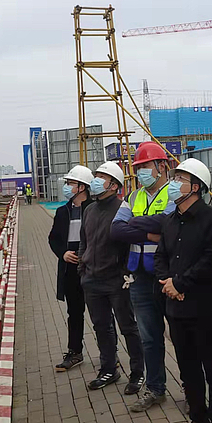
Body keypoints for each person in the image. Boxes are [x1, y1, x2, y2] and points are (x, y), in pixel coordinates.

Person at [154, 158, 212, 423]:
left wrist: (181, 284)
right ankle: (198, 420)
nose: (173, 184)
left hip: (204, 308)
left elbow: (211, 259)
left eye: (180, 179)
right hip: (175, 308)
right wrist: (168, 283)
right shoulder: (170, 220)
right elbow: (161, 255)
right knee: (187, 368)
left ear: (196, 187)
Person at [111, 141, 175, 412]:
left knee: (182, 337)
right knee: (149, 337)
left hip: (168, 277)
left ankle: (191, 388)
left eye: (145, 166)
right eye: (138, 168)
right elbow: (116, 229)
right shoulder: (134, 197)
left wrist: (134, 224)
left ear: (162, 166)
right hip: (139, 275)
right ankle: (155, 389)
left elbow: (168, 225)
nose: (140, 172)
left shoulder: (174, 192)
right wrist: (150, 233)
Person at [78, 161, 146, 394]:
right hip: (92, 280)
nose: (95, 181)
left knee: (128, 327)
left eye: (101, 177)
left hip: (117, 281)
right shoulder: (89, 210)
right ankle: (108, 369)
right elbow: (84, 242)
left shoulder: (123, 209)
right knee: (101, 327)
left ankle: (137, 373)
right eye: (95, 176)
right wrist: (83, 268)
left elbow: (130, 244)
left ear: (114, 185)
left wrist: (125, 273)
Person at [48, 166, 94, 371]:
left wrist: (89, 256)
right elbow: (53, 239)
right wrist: (63, 253)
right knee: (74, 313)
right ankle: (74, 352)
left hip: (92, 269)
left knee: (101, 314)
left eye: (70, 183)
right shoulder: (62, 212)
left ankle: (110, 354)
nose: (66, 187)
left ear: (82, 187)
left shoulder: (95, 209)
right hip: (69, 270)